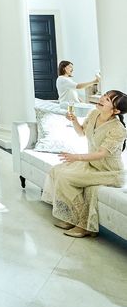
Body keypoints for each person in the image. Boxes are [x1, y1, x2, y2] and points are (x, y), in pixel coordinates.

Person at [43, 90, 127, 238]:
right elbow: (81, 133)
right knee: (57, 170)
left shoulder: (118, 129)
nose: (102, 99)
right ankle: (71, 217)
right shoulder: (94, 114)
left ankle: (83, 225)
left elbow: (101, 153)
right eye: (104, 95)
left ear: (116, 111)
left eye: (108, 99)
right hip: (92, 165)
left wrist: (76, 157)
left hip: (109, 172)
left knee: (66, 178)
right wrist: (74, 120)